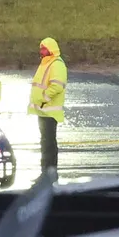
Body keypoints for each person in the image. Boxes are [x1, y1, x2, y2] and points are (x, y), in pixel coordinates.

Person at [27, 38, 67, 173]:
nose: (41, 51)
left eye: (44, 48)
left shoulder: (56, 64)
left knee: (48, 143)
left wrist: (44, 98)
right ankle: (46, 170)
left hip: (50, 111)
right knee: (45, 142)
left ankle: (49, 171)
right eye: (41, 48)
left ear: (51, 49)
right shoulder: (46, 63)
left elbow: (57, 85)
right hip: (43, 110)